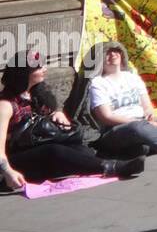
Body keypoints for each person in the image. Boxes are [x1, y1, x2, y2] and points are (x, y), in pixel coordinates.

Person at [1, 53, 145, 190]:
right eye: (38, 67)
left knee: (81, 150)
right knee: (53, 150)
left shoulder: (36, 93)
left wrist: (58, 113)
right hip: (15, 160)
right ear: (25, 73)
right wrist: (8, 172)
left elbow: (47, 114)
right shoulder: (6, 104)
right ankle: (113, 168)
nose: (45, 69)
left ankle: (104, 163)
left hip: (38, 147)